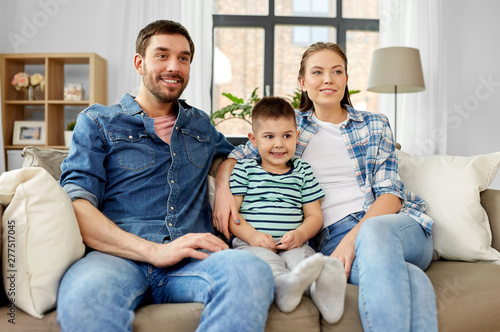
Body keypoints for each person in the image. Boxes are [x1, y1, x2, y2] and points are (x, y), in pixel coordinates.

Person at [56, 20, 274, 332]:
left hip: (192, 260)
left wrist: (224, 184)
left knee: (251, 271)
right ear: (139, 62)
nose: (174, 66)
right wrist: (156, 251)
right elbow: (78, 205)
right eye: (162, 55)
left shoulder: (199, 124)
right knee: (84, 296)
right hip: (117, 258)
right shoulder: (98, 121)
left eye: (183, 58)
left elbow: (229, 155)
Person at [213, 42, 437, 332]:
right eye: (317, 72)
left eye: (337, 71)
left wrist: (352, 241)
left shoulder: (375, 124)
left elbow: (391, 196)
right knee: (413, 280)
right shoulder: (290, 128)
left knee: (374, 233)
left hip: (392, 226)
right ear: (303, 82)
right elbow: (235, 156)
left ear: (346, 80)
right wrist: (221, 188)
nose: (328, 79)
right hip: (331, 238)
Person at [229, 96, 346, 324]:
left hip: (292, 243)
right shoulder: (245, 169)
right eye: (269, 137)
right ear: (253, 140)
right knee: (264, 263)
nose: (279, 144)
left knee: (304, 261)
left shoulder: (303, 171)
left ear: (297, 137)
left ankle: (322, 290)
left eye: (287, 135)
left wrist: (300, 235)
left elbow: (314, 215)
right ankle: (284, 286)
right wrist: (252, 236)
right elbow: (232, 215)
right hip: (252, 244)